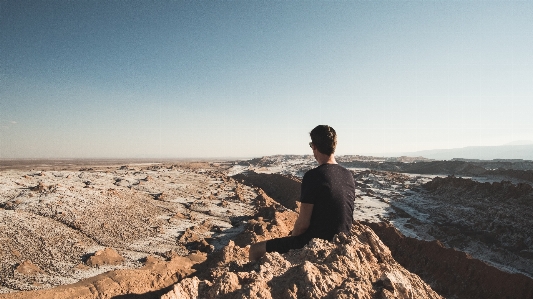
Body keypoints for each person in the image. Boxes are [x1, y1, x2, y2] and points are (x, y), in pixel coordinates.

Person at [249, 125, 356, 261]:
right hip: (341, 241)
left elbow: (303, 224)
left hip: (316, 243)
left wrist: (292, 240)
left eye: (311, 145)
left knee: (255, 249)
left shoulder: (313, 176)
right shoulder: (348, 175)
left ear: (314, 147)